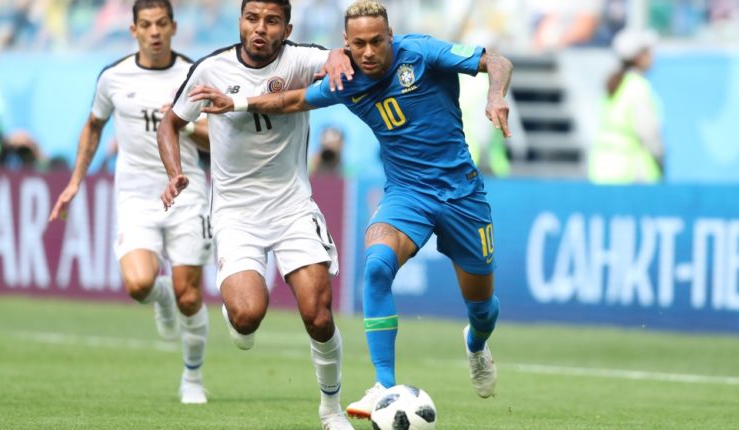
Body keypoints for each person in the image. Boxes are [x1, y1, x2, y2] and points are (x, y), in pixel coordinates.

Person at [187, 0, 513, 419]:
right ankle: (385, 385)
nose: (369, 52)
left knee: (481, 308)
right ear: (346, 44)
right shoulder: (347, 80)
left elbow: (497, 61)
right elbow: (292, 101)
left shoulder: (422, 52)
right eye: (359, 44)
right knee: (376, 266)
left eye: (377, 41)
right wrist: (235, 104)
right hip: (407, 194)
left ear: (390, 36)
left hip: (462, 195)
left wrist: (496, 95)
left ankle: (477, 342)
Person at [157, 1, 355, 428]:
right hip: (236, 213)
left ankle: (331, 409)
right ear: (240, 22)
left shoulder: (300, 58)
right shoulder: (212, 69)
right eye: (252, 19)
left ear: (287, 28)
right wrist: (174, 173)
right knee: (247, 317)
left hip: (292, 207)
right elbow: (169, 123)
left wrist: (339, 57)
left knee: (318, 315)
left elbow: (336, 56)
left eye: (271, 21)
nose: (260, 28)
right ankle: (237, 315)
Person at [48, 0, 212, 405]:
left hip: (187, 192)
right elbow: (94, 126)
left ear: (174, 27)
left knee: (190, 296)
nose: (154, 32)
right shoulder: (114, 77)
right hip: (137, 195)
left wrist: (183, 124)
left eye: (161, 24)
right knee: (139, 284)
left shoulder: (194, 75)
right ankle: (160, 298)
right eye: (146, 25)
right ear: (133, 30)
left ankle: (192, 378)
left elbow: (216, 138)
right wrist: (75, 182)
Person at [589, 28, 663, 184]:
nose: (652, 57)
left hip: (601, 170)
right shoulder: (637, 87)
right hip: (631, 175)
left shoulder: (612, 84)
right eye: (648, 52)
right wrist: (660, 158)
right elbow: (649, 134)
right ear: (639, 57)